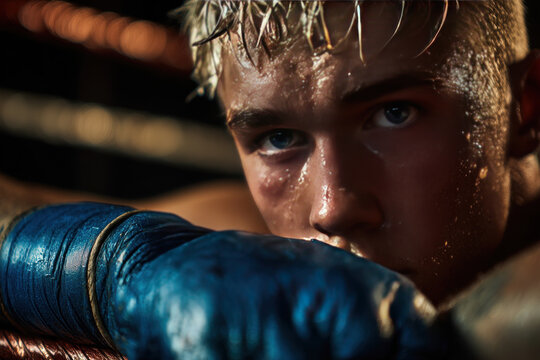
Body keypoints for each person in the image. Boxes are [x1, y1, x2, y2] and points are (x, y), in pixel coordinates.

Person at [0, 0, 539, 359]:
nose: (332, 208)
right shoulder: (246, 255)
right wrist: (115, 266)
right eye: (278, 138)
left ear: (526, 108)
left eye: (395, 112)